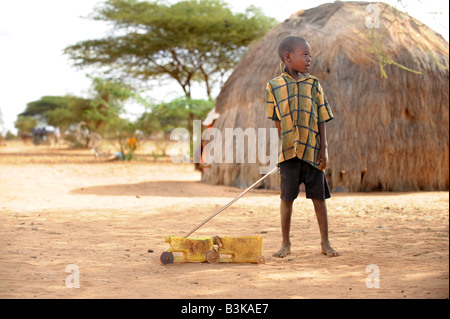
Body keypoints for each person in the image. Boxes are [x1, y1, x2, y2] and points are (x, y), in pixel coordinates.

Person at [265, 36, 340, 258]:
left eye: (310, 54)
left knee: (319, 198)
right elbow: (277, 121)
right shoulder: (273, 87)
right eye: (304, 54)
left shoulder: (314, 84)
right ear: (288, 57)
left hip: (311, 151)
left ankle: (325, 242)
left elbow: (322, 117)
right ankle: (285, 243)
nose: (309, 58)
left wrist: (323, 148)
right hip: (288, 153)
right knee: (286, 199)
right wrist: (282, 150)